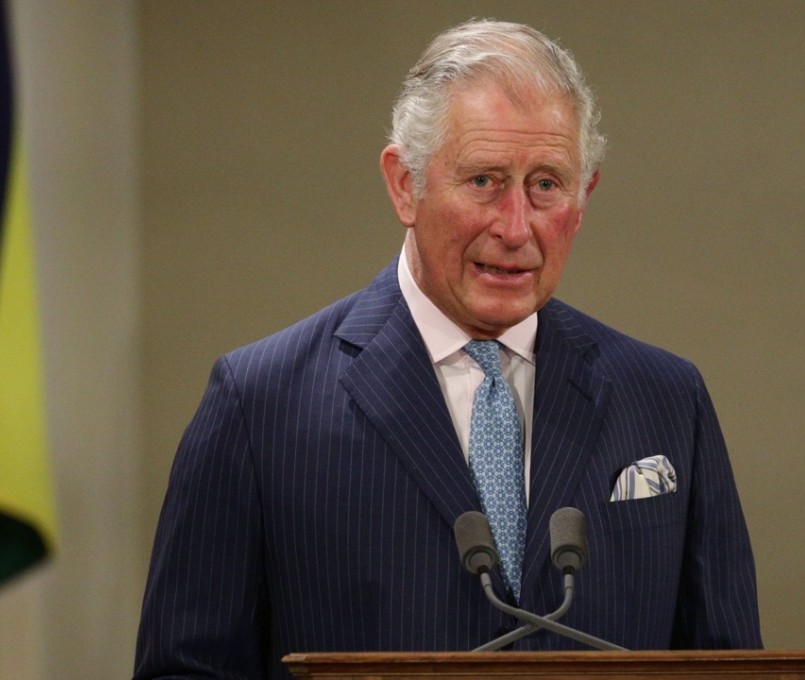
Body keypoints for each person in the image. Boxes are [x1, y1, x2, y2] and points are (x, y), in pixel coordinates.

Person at [134, 19, 762, 680]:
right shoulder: (259, 405)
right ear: (405, 184)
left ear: (584, 198)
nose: (517, 227)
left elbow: (729, 662)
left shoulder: (665, 399)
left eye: (546, 184)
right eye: (485, 181)